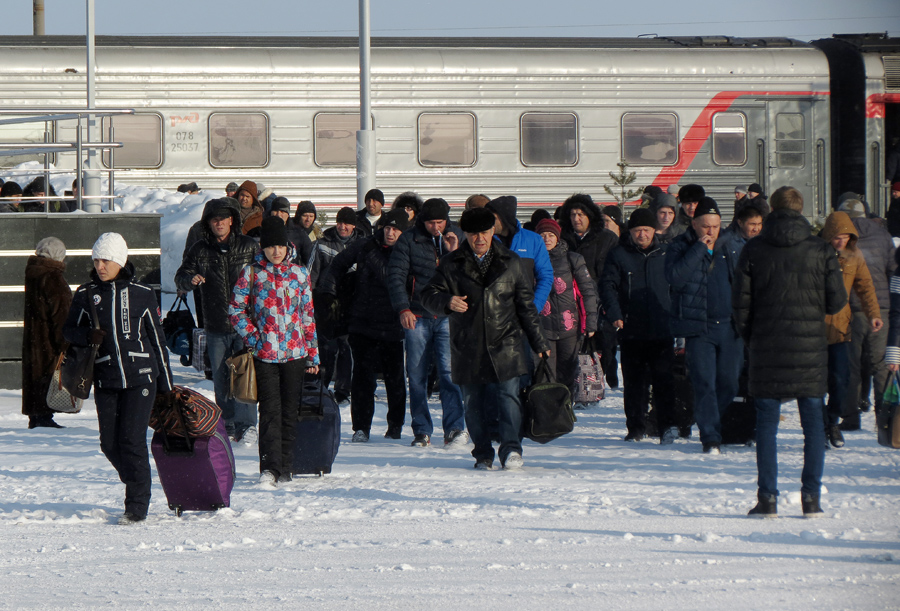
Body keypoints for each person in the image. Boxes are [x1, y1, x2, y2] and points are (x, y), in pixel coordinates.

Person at [733, 186, 847, 518]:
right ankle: (811, 498)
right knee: (813, 426)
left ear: (772, 209)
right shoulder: (821, 249)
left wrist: (752, 339)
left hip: (767, 348)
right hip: (810, 349)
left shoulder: (753, 249)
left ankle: (767, 498)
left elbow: (740, 304)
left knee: (767, 426)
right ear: (800, 209)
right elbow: (836, 301)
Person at [421, 207, 550, 470]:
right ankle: (482, 452)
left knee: (509, 398)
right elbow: (428, 295)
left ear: (493, 231)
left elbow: (525, 306)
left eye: (484, 232)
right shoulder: (451, 264)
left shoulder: (511, 262)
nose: (479, 239)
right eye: (473, 234)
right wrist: (447, 301)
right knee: (474, 403)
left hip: (507, 343)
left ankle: (512, 448)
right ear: (465, 234)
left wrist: (539, 343)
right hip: (468, 344)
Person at [64, 233, 173, 524]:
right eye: (96, 260)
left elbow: (157, 339)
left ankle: (137, 504)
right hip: (105, 377)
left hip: (142, 377)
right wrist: (87, 335)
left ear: (120, 261)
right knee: (109, 444)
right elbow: (67, 331)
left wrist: (167, 385)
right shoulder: (85, 293)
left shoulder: (142, 293)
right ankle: (139, 481)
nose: (100, 266)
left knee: (131, 440)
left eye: (106, 260)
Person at [230, 217, 319, 486]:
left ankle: (287, 466)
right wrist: (255, 338)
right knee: (269, 412)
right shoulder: (252, 272)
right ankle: (269, 468)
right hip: (264, 355)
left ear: (286, 246)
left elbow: (308, 316)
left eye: (279, 246)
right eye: (270, 247)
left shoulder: (300, 274)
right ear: (263, 247)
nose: (275, 252)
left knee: (290, 411)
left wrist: (312, 354)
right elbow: (235, 310)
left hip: (295, 354)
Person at [318, 210, 410, 442]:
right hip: (363, 320)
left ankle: (395, 426)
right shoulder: (365, 245)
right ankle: (361, 427)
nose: (390, 232)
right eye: (387, 227)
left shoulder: (407, 249)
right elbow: (337, 265)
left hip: (393, 321)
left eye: (396, 229)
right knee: (362, 378)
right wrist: (329, 292)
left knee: (395, 379)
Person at [175, 198, 259, 441]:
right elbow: (181, 275)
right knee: (221, 380)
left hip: (245, 325)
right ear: (208, 223)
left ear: (232, 221)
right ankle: (228, 423)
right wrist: (188, 281)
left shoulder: (248, 246)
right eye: (214, 219)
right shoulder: (199, 249)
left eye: (223, 219)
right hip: (215, 325)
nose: (219, 223)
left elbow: (263, 276)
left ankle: (247, 426)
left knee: (244, 378)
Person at [665, 196, 742, 454]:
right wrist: (698, 248)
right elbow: (675, 278)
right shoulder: (680, 245)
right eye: (706, 226)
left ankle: (709, 418)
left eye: (716, 226)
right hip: (698, 327)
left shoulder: (731, 245)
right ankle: (710, 436)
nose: (711, 231)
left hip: (729, 326)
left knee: (729, 383)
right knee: (704, 382)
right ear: (694, 224)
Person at [387, 197, 467, 447]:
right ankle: (421, 429)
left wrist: (453, 252)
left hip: (446, 315)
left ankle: (455, 428)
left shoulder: (457, 238)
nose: (436, 227)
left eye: (440, 222)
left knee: (449, 374)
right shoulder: (409, 239)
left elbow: (465, 278)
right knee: (417, 375)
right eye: (431, 222)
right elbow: (396, 275)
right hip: (418, 315)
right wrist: (403, 308)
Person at [601, 208, 678, 443]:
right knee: (634, 383)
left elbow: (677, 286)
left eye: (646, 230)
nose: (642, 235)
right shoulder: (618, 255)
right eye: (637, 231)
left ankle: (667, 426)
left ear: (654, 231)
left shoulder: (667, 253)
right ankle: (635, 427)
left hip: (662, 329)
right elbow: (608, 287)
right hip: (631, 328)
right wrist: (615, 313)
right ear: (630, 232)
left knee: (664, 381)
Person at [820, 211, 881, 449]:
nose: (841, 241)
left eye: (845, 237)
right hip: (814, 328)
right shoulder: (815, 251)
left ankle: (832, 420)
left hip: (840, 327)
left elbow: (865, 286)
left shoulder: (854, 256)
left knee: (842, 379)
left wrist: (873, 314)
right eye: (837, 237)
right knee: (816, 383)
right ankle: (820, 426)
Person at [838, 198, 895, 430]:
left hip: (850, 309)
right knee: (881, 364)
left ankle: (851, 417)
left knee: (851, 365)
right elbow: (893, 270)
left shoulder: (840, 235)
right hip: (880, 309)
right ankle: (885, 418)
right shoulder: (883, 235)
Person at [557, 193, 620, 387]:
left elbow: (613, 271)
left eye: (581, 214)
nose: (577, 219)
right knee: (577, 345)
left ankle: (609, 367)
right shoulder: (563, 238)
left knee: (606, 343)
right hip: (571, 299)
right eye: (573, 214)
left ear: (590, 216)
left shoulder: (607, 238)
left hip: (601, 299)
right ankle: (582, 383)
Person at [534, 218, 598, 399]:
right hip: (542, 327)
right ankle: (549, 412)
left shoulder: (573, 259)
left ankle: (565, 409)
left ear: (558, 237)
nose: (547, 238)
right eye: (542, 235)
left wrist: (590, 323)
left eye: (551, 235)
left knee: (568, 373)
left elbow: (588, 292)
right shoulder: (531, 261)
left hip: (569, 327)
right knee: (545, 374)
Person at [309, 206, 363, 403]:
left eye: (347, 223)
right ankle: (321, 387)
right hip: (326, 302)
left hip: (351, 304)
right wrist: (312, 301)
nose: (343, 227)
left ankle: (343, 391)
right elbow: (311, 275)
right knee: (326, 347)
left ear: (354, 226)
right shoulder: (322, 244)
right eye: (340, 222)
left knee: (345, 347)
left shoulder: (362, 245)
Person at [22, 237, 72, 429]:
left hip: (35, 340)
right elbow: (62, 314)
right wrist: (66, 343)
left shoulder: (33, 274)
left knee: (35, 374)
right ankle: (43, 415)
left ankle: (36, 415)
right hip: (49, 343)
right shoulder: (53, 277)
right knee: (47, 375)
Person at [485, 195, 553, 312]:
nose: (489, 223)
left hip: (524, 314)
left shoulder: (533, 240)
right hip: (494, 316)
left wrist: (534, 307)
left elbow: (545, 276)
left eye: (493, 219)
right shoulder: (485, 241)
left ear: (505, 218)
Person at [269, 196, 313, 267]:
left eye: (282, 211)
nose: (278, 214)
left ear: (288, 214)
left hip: (291, 274)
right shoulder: (261, 231)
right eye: (275, 211)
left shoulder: (299, 233)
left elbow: (309, 259)